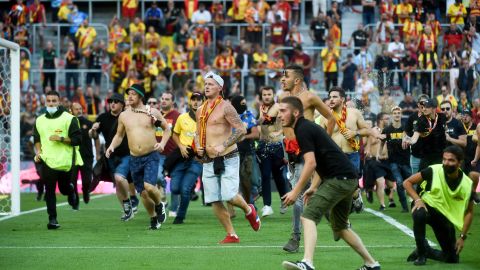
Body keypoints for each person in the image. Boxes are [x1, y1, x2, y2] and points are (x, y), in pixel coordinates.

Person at [280, 96, 381, 270]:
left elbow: (310, 163)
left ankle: (307, 262)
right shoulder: (305, 128)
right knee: (340, 227)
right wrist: (312, 187)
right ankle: (372, 264)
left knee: (307, 216)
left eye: (283, 111)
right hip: (347, 179)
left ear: (295, 113)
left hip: (340, 179)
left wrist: (295, 191)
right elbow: (319, 161)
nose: (279, 115)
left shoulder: (303, 129)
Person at [194, 72, 261, 243]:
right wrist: (198, 147)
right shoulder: (200, 109)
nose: (207, 86)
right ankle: (232, 234)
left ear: (219, 88)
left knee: (229, 195)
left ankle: (249, 209)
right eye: (205, 84)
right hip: (209, 159)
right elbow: (197, 132)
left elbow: (241, 130)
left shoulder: (226, 107)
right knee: (214, 199)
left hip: (228, 156)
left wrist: (223, 145)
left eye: (211, 84)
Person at [106, 84, 170, 230]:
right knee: (143, 194)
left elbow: (167, 129)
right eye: (128, 94)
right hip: (134, 158)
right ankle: (154, 219)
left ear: (140, 96)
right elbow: (119, 135)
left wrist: (162, 144)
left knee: (149, 186)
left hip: (151, 155)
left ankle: (160, 205)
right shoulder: (124, 115)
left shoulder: (151, 112)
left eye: (133, 94)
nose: (129, 96)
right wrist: (111, 146)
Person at [403, 145, 474, 266]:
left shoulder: (467, 184)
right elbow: (407, 182)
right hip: (427, 206)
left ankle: (427, 250)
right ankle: (421, 254)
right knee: (419, 213)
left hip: (443, 216)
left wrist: (462, 237)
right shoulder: (434, 170)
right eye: (444, 159)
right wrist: (418, 200)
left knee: (452, 259)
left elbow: (469, 212)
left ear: (460, 163)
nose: (446, 163)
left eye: (451, 160)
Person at [33, 91, 83, 229]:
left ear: (59, 102)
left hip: (65, 162)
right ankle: (52, 219)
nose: (51, 103)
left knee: (64, 189)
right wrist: (38, 152)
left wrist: (61, 139)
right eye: (48, 101)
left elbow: (78, 140)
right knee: (49, 189)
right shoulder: (39, 120)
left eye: (54, 101)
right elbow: (36, 138)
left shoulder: (70, 119)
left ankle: (71, 190)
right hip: (47, 160)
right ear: (45, 102)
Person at [89, 93, 139, 221]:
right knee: (118, 183)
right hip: (111, 156)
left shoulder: (128, 117)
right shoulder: (103, 117)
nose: (112, 104)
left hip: (127, 154)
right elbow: (93, 136)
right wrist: (93, 130)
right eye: (111, 101)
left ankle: (132, 199)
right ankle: (127, 210)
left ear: (122, 104)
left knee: (123, 179)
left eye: (116, 101)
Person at [169, 92, 204, 224]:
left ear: (203, 102)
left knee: (184, 189)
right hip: (181, 157)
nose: (196, 102)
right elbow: (175, 134)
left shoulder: (206, 119)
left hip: (196, 160)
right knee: (174, 188)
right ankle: (190, 188)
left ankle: (180, 216)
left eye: (198, 100)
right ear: (190, 102)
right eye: (193, 100)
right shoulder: (182, 117)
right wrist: (181, 146)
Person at [257, 86, 289, 217]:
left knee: (278, 176)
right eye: (264, 94)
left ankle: (283, 199)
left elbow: (268, 120)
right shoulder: (261, 108)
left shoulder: (277, 107)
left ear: (273, 95)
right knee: (265, 175)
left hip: (276, 145)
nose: (266, 96)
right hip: (264, 145)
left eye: (269, 94)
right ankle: (267, 205)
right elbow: (261, 125)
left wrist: (279, 132)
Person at [381, 106, 411, 212]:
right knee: (399, 182)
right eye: (395, 113)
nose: (397, 114)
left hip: (406, 161)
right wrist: (379, 153)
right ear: (392, 115)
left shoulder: (406, 129)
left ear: (401, 114)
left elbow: (412, 141)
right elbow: (382, 141)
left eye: (399, 113)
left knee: (411, 183)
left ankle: (415, 201)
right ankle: (404, 207)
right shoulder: (387, 129)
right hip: (393, 161)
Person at [407, 98, 447, 171]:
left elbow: (446, 128)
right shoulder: (421, 121)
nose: (424, 109)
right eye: (423, 107)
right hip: (426, 157)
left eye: (427, 107)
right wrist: (409, 140)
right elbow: (414, 138)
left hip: (440, 156)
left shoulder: (442, 117)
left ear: (434, 109)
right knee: (423, 181)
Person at [70, 102, 94, 204]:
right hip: (73, 156)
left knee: (87, 180)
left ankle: (85, 191)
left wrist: (97, 152)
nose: (79, 111)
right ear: (71, 111)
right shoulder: (68, 124)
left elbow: (95, 137)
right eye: (76, 109)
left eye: (80, 108)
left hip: (86, 156)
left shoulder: (88, 123)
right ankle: (75, 198)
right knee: (72, 180)